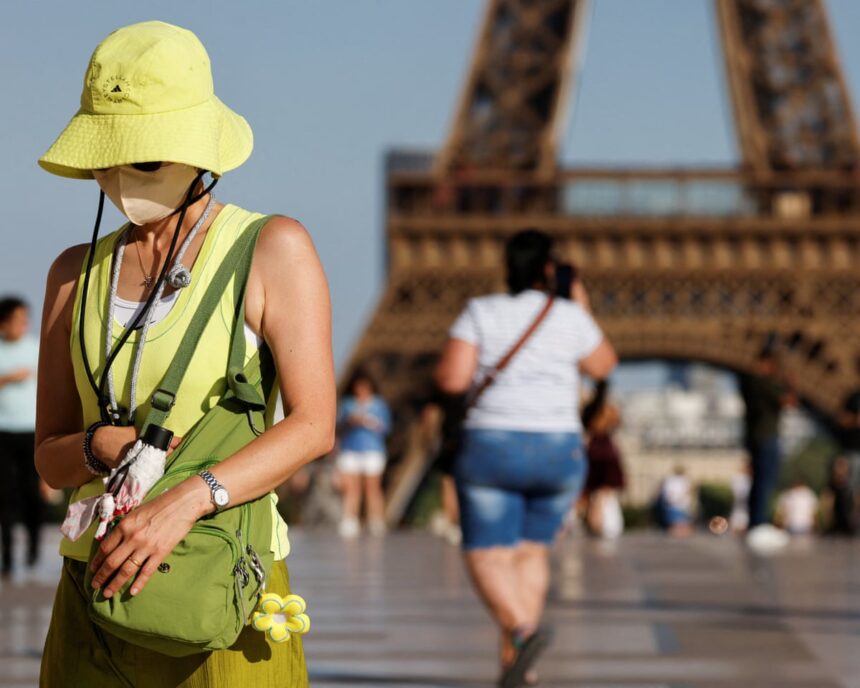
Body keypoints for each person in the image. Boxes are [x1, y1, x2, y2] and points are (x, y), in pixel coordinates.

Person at [35, 22, 334, 686]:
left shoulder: (271, 248)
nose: (118, 176)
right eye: (105, 156)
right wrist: (100, 448)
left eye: (142, 156)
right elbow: (50, 457)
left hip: (220, 590)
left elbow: (314, 425)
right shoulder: (72, 273)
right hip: (93, 592)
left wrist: (188, 499)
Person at [435, 229, 617, 688]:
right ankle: (520, 667)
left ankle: (523, 630)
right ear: (550, 270)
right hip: (559, 448)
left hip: (492, 445)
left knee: (486, 553)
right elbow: (603, 366)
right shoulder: (572, 316)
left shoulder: (482, 311)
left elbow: (453, 379)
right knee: (533, 552)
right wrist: (578, 304)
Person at [0, 297, 44, 578]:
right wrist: (8, 378)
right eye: (18, 319)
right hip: (2, 431)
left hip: (32, 430)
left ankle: (33, 549)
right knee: (5, 495)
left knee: (32, 492)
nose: (23, 325)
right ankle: (6, 559)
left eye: (26, 319)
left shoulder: (36, 348)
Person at [738, 347, 793, 531]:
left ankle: (756, 522)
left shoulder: (749, 383)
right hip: (767, 436)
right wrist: (789, 383)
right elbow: (788, 401)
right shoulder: (764, 383)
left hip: (755, 436)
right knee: (766, 481)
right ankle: (759, 523)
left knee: (759, 481)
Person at [335, 369, 391, 538]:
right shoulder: (347, 404)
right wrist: (351, 421)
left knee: (372, 487)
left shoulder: (379, 405)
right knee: (351, 488)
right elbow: (338, 427)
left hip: (372, 449)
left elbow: (386, 428)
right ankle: (349, 519)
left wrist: (369, 422)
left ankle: (375, 519)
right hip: (350, 449)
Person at [582, 382, 625, 539]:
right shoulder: (607, 444)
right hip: (603, 455)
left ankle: (595, 517)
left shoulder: (591, 413)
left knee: (599, 497)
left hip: (596, 454)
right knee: (604, 502)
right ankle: (597, 517)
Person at [656, 465, 693, 537]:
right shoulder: (676, 480)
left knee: (680, 526)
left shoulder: (670, 480)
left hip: (677, 506)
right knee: (677, 527)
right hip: (676, 506)